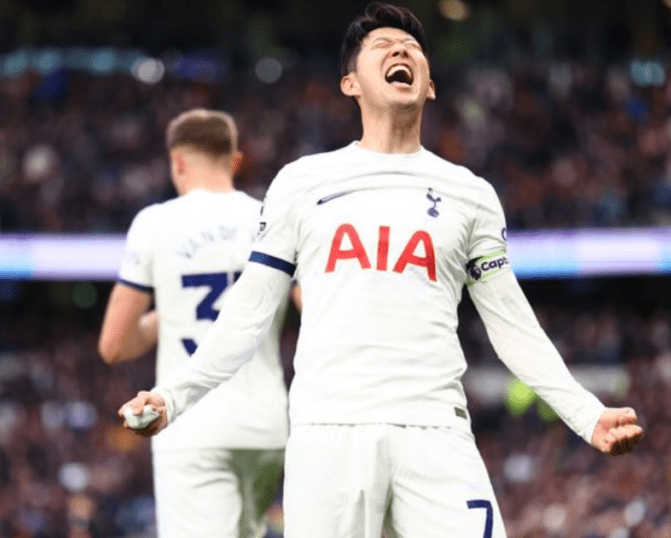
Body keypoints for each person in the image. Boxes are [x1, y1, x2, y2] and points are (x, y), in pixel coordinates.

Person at [119, 4, 643, 537]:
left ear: (430, 86)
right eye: (383, 46)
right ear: (351, 84)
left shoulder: (472, 194)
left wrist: (585, 413)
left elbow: (512, 325)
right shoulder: (302, 183)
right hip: (329, 435)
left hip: (437, 433)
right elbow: (248, 313)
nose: (401, 51)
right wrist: (172, 397)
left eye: (412, 48)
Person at [100, 109, 291, 538]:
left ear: (178, 162)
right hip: (267, 426)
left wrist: (165, 316)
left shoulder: (155, 222)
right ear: (236, 161)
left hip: (190, 423)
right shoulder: (270, 218)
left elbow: (114, 344)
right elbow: (315, 306)